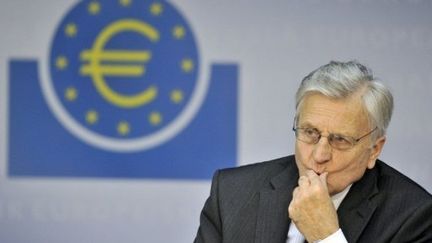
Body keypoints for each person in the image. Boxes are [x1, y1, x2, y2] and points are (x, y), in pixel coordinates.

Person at [194, 61, 432, 243]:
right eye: (309, 132)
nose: (319, 155)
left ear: (374, 150)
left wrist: (327, 236)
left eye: (340, 140)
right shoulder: (232, 193)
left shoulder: (412, 216)